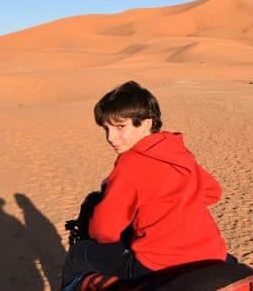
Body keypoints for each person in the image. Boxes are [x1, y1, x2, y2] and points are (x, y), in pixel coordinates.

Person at [61, 80, 230, 290]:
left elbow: (104, 230)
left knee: (79, 254)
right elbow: (213, 192)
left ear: (147, 123)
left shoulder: (131, 162)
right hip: (212, 252)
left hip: (159, 262)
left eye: (120, 126)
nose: (110, 137)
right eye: (106, 128)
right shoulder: (177, 151)